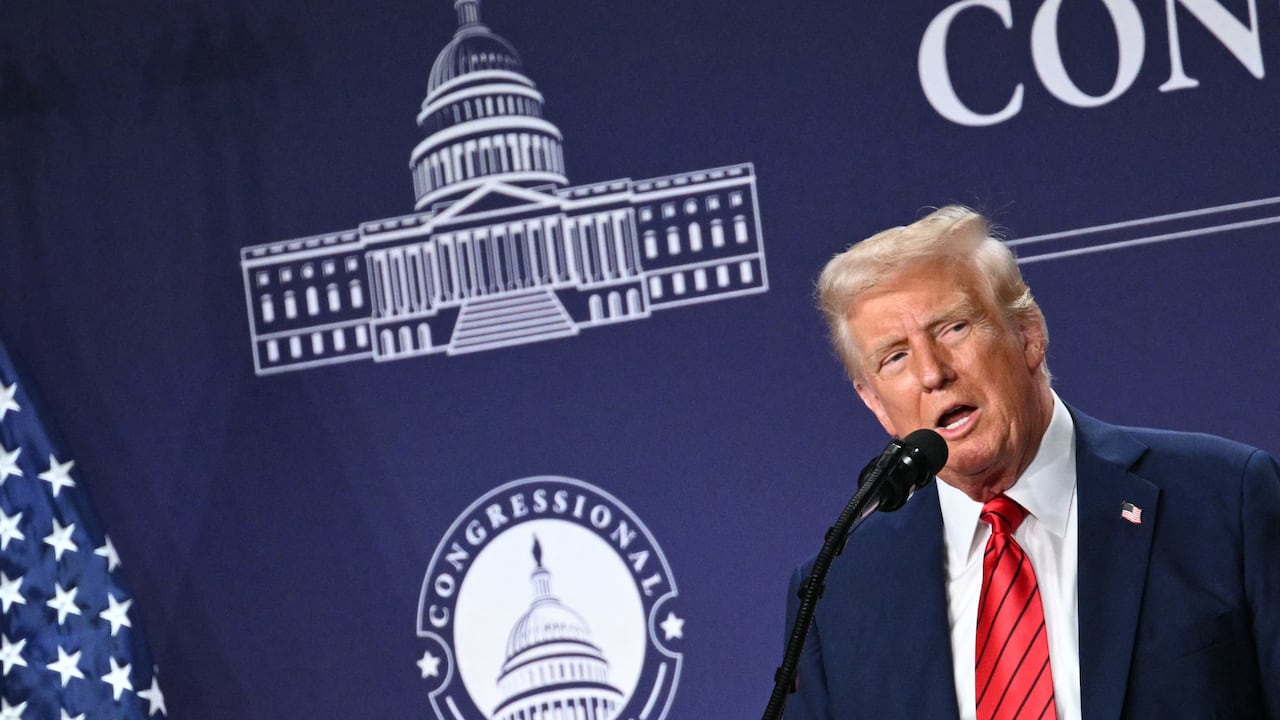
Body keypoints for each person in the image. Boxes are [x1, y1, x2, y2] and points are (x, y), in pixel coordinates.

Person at [783, 205, 1280, 719]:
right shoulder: (837, 592)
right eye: (895, 357)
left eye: (953, 328)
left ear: (1028, 334)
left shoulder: (1225, 499)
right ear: (875, 402)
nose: (932, 373)